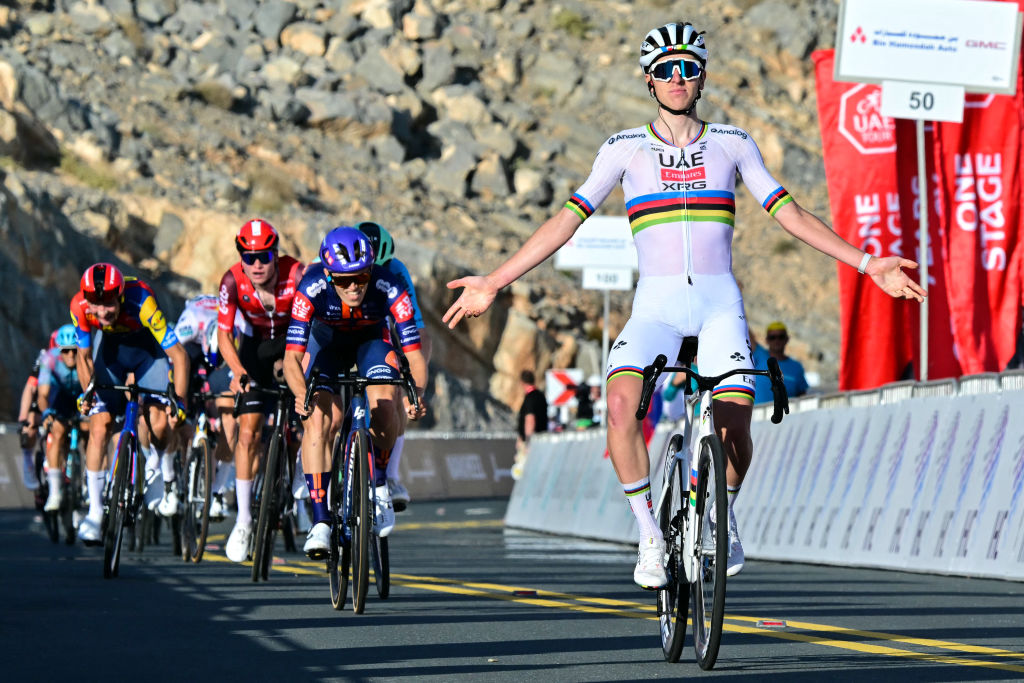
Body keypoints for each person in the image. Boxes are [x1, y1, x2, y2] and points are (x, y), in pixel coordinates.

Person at [443, 21, 925, 587]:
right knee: (622, 411)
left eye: (688, 67)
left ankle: (724, 516)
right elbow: (564, 223)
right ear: (649, 80)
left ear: (702, 76)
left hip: (720, 306)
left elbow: (789, 214)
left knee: (736, 423)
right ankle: (649, 533)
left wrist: (868, 263)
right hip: (655, 310)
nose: (677, 77)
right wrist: (497, 280)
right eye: (665, 69)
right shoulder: (623, 149)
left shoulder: (732, 142)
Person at [283, 226, 427, 560]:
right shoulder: (311, 286)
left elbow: (416, 356)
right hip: (326, 344)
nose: (353, 287)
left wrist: (416, 394)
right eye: (343, 280)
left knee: (386, 403)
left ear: (371, 270)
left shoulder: (389, 285)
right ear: (329, 275)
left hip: (371, 343)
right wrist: (301, 393)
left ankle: (378, 483)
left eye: (360, 277)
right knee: (319, 418)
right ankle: (320, 521)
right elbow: (291, 357)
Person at [71, 263, 189, 545]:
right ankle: (95, 513)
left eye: (109, 305)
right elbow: (83, 357)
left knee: (160, 424)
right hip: (110, 356)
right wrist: (87, 393)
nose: (102, 313)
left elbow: (180, 356)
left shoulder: (142, 301)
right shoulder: (79, 306)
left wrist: (180, 401)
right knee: (99, 426)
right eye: (96, 306)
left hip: (147, 355)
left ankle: (160, 471)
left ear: (121, 296)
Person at [217, 219, 305, 563]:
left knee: (309, 417)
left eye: (264, 257)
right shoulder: (231, 280)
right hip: (255, 349)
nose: (256, 264)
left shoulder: (295, 274)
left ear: (275, 253)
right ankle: (243, 521)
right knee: (248, 433)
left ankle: (305, 488)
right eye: (248, 256)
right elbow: (225, 335)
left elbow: (315, 322)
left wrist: (295, 364)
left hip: (294, 344)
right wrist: (238, 372)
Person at [356, 221, 430, 511]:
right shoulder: (326, 264)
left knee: (397, 386)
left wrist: (414, 382)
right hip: (339, 332)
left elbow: (418, 331)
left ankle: (391, 476)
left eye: (380, 266)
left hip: (380, 333)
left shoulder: (396, 272)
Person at [173, 293, 238, 519]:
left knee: (231, 421)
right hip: (189, 351)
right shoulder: (191, 321)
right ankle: (174, 473)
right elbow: (169, 356)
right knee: (176, 410)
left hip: (225, 353)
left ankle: (218, 492)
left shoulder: (236, 322)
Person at [37, 325, 82, 512]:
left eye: (74, 350)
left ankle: (87, 484)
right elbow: (43, 394)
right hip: (59, 399)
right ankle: (55, 491)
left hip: (82, 398)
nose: (71, 355)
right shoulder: (50, 359)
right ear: (59, 349)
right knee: (57, 432)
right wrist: (46, 413)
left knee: (92, 432)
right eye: (66, 350)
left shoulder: (88, 357)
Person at [751, 322, 808, 404]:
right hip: (758, 415)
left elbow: (803, 397)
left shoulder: (796, 367)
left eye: (781, 337)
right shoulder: (759, 355)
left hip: (787, 416)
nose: (777, 340)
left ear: (787, 339)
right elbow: (745, 328)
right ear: (767, 340)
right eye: (772, 337)